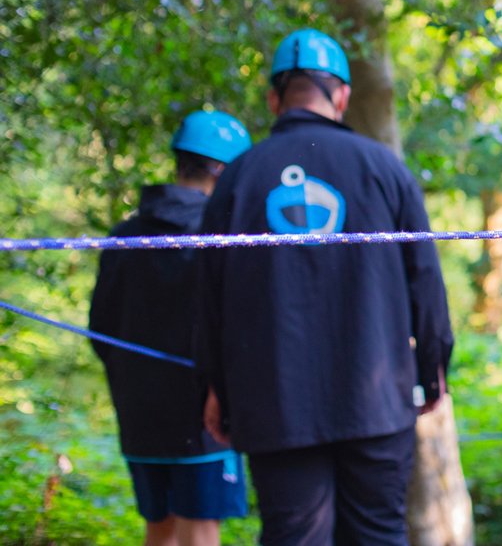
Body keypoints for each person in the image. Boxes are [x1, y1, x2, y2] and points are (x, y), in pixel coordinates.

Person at [195, 28, 453, 545]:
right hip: (376, 402)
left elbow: (208, 301)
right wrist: (433, 370)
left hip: (276, 403)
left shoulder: (238, 178)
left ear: (274, 99)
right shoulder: (385, 169)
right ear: (343, 96)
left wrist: (217, 388)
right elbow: (425, 280)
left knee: (294, 537)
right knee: (377, 534)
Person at [90, 111, 253, 546]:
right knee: (200, 532)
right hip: (205, 415)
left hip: (139, 416)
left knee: (159, 530)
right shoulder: (221, 236)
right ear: (223, 170)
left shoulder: (124, 236)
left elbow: (100, 329)